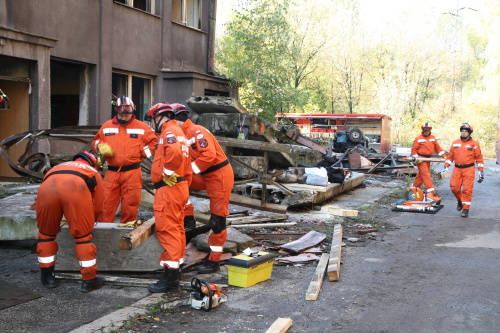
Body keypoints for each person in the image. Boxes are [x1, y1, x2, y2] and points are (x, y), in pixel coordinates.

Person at [172, 103, 234, 274]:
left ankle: (214, 260)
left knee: (217, 220)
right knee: (177, 181)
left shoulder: (196, 131)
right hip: (204, 174)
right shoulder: (180, 133)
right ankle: (188, 216)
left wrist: (190, 170)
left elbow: (208, 155)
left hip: (218, 175)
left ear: (176, 120)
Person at [36, 151, 105, 293]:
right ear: (93, 163)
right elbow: (98, 205)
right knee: (83, 238)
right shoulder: (92, 171)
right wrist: (90, 221)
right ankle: (89, 280)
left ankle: (47, 278)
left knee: (45, 235)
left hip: (47, 189)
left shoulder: (57, 167)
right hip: (75, 189)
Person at [91, 96, 157, 224]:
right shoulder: (106, 126)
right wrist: (99, 146)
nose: (124, 117)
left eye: (127, 115)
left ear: (132, 113)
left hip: (132, 172)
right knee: (106, 202)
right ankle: (103, 229)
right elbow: (95, 141)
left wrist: (143, 153)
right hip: (112, 172)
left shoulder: (142, 127)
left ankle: (127, 230)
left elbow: (155, 143)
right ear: (117, 112)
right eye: (121, 115)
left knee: (131, 203)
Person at [147, 103, 191, 293]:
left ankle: (171, 279)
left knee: (168, 230)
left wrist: (166, 172)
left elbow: (173, 155)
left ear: (159, 117)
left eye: (151, 120)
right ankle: (173, 269)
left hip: (169, 188)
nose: (151, 124)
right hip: (178, 186)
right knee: (177, 229)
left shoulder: (169, 132)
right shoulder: (178, 131)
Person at [443, 123, 484, 218]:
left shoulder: (474, 144)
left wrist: (481, 171)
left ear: (469, 133)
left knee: (467, 189)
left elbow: (479, 158)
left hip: (469, 169)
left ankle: (465, 209)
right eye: (462, 131)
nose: (464, 133)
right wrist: (446, 166)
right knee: (454, 187)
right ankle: (460, 201)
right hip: (457, 168)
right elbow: (450, 156)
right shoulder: (455, 143)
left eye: (465, 131)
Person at [410, 122, 447, 202]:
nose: (426, 131)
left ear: (430, 130)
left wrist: (444, 156)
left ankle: (414, 188)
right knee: (426, 174)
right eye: (424, 130)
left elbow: (438, 149)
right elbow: (414, 150)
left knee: (421, 175)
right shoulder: (418, 138)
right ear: (422, 130)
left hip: (428, 159)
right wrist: (417, 158)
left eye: (427, 130)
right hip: (421, 159)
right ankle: (430, 190)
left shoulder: (433, 138)